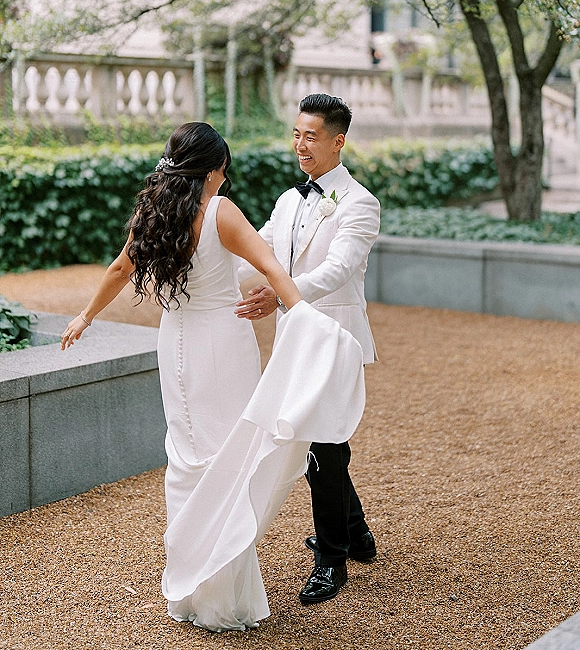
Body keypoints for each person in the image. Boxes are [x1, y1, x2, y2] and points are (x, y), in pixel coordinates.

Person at [60, 121, 366, 632]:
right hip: (222, 345)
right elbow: (270, 264)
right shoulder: (220, 211)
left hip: (173, 343)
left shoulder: (153, 212)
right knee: (230, 457)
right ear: (211, 169)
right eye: (223, 166)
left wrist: (85, 317)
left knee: (186, 455)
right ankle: (224, 596)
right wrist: (303, 316)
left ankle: (189, 586)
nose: (225, 176)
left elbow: (118, 270)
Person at [236, 93, 381, 605]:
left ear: (338, 141)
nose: (300, 144)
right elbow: (259, 248)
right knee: (326, 442)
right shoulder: (287, 199)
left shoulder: (361, 203)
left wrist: (279, 294)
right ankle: (357, 533)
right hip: (297, 335)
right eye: (296, 133)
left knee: (321, 445)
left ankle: (332, 561)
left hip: (336, 337)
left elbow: (339, 270)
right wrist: (223, 280)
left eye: (311, 136)